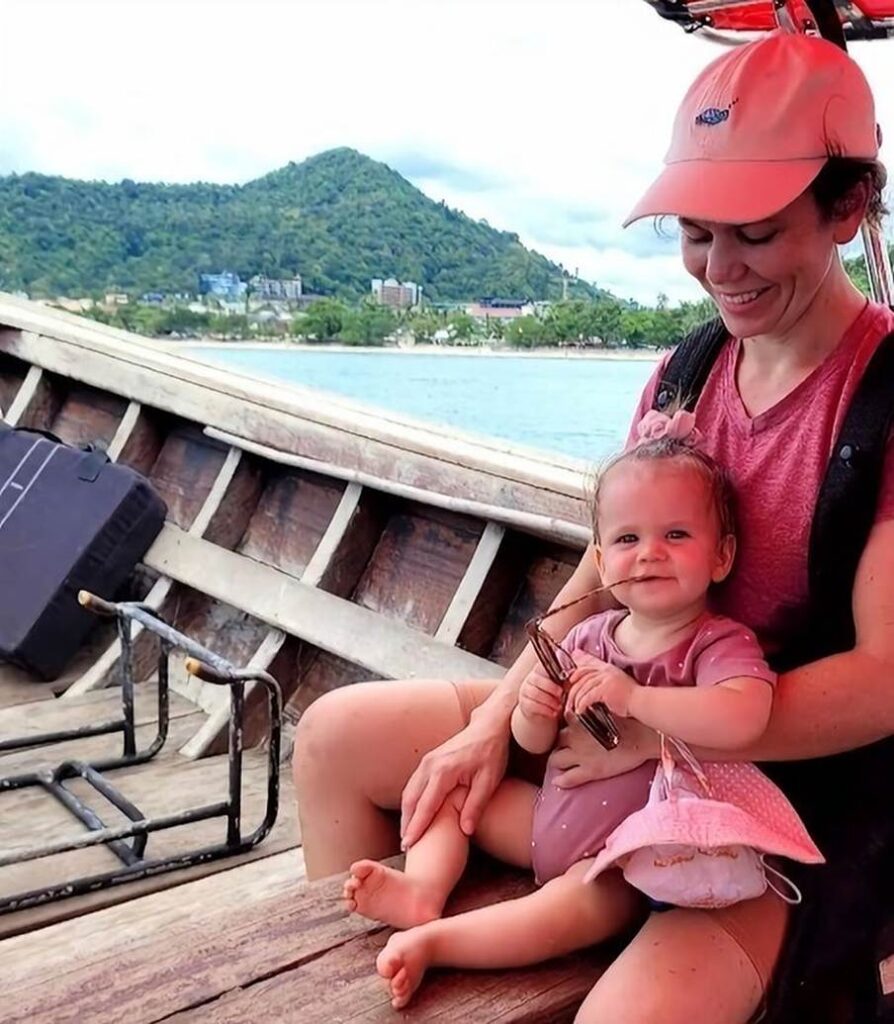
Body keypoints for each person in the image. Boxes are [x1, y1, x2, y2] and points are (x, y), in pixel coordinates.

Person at [294, 31, 894, 1024]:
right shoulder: (686, 375)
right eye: (697, 232)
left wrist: (658, 733)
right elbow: (604, 574)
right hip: (614, 711)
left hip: (768, 785)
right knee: (337, 736)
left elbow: (882, 680)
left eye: (754, 231)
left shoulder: (878, 395)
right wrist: (493, 726)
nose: (720, 268)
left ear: (845, 208)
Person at [342, 414, 819, 1011]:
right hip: (545, 816)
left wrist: (637, 700)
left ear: (721, 557)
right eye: (627, 539)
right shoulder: (592, 634)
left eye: (676, 536)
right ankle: (423, 888)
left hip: (618, 863)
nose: (649, 554)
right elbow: (533, 740)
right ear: (600, 555)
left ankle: (439, 941)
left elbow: (745, 715)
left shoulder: (715, 643)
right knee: (458, 793)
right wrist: (533, 712)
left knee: (559, 913)